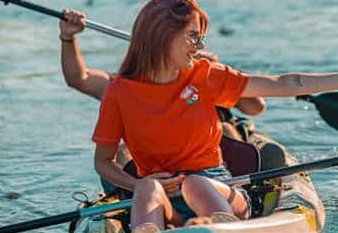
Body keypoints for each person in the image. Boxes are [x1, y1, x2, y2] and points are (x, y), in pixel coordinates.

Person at [91, 0, 338, 233]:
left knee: (195, 183)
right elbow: (103, 162)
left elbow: (285, 83)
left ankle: (221, 232)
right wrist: (134, 185)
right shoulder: (119, 92)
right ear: (163, 36)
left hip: (218, 189)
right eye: (193, 36)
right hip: (163, 198)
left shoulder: (205, 74)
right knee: (147, 186)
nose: (199, 46)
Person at [59, 9, 265, 142]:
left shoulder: (204, 74)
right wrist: (68, 37)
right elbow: (79, 79)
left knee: (225, 131)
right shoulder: (127, 85)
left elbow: (256, 107)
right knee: (123, 152)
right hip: (160, 165)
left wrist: (217, 70)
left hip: (212, 156)